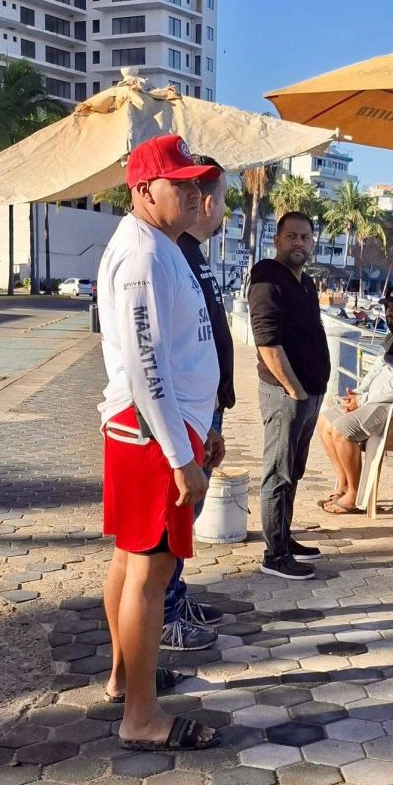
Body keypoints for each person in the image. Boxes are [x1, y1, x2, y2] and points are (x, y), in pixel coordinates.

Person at [98, 134, 222, 751]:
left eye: (199, 184)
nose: (196, 194)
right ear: (147, 191)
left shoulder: (161, 245)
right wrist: (181, 456)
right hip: (153, 438)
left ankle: (126, 679)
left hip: (158, 430)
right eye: (183, 185)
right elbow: (149, 366)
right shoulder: (144, 254)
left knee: (130, 563)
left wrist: (206, 430)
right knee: (149, 575)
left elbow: (178, 350)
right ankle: (141, 718)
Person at [160, 155, 232, 651]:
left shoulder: (193, 253)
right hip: (184, 411)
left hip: (204, 408)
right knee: (178, 509)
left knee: (189, 510)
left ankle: (174, 594)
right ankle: (162, 613)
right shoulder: (173, 253)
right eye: (224, 198)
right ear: (205, 202)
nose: (224, 209)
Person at [248, 211, 331, 580]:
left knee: (293, 470)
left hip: (310, 394)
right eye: (292, 236)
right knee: (278, 473)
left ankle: (284, 537)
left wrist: (312, 390)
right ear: (278, 240)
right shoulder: (268, 277)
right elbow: (267, 341)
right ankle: (275, 555)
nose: (299, 243)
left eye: (305, 237)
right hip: (286, 395)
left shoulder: (306, 283)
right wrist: (294, 389)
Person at [316, 283, 393, 514]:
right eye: (388, 306)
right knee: (324, 421)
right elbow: (376, 370)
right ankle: (342, 484)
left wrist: (362, 401)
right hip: (372, 401)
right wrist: (359, 394)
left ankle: (355, 495)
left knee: (342, 430)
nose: (389, 311)